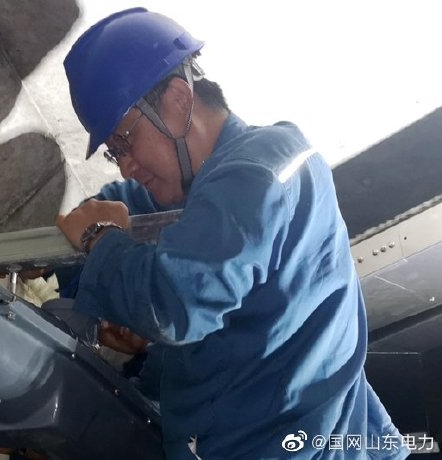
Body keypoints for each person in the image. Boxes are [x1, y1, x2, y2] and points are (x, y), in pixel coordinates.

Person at [56, 7, 408, 459]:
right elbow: (136, 206)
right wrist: (72, 263)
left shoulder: (264, 169)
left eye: (125, 141)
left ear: (178, 101)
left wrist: (98, 238)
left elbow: (177, 304)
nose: (125, 165)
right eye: (113, 153)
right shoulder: (213, 180)